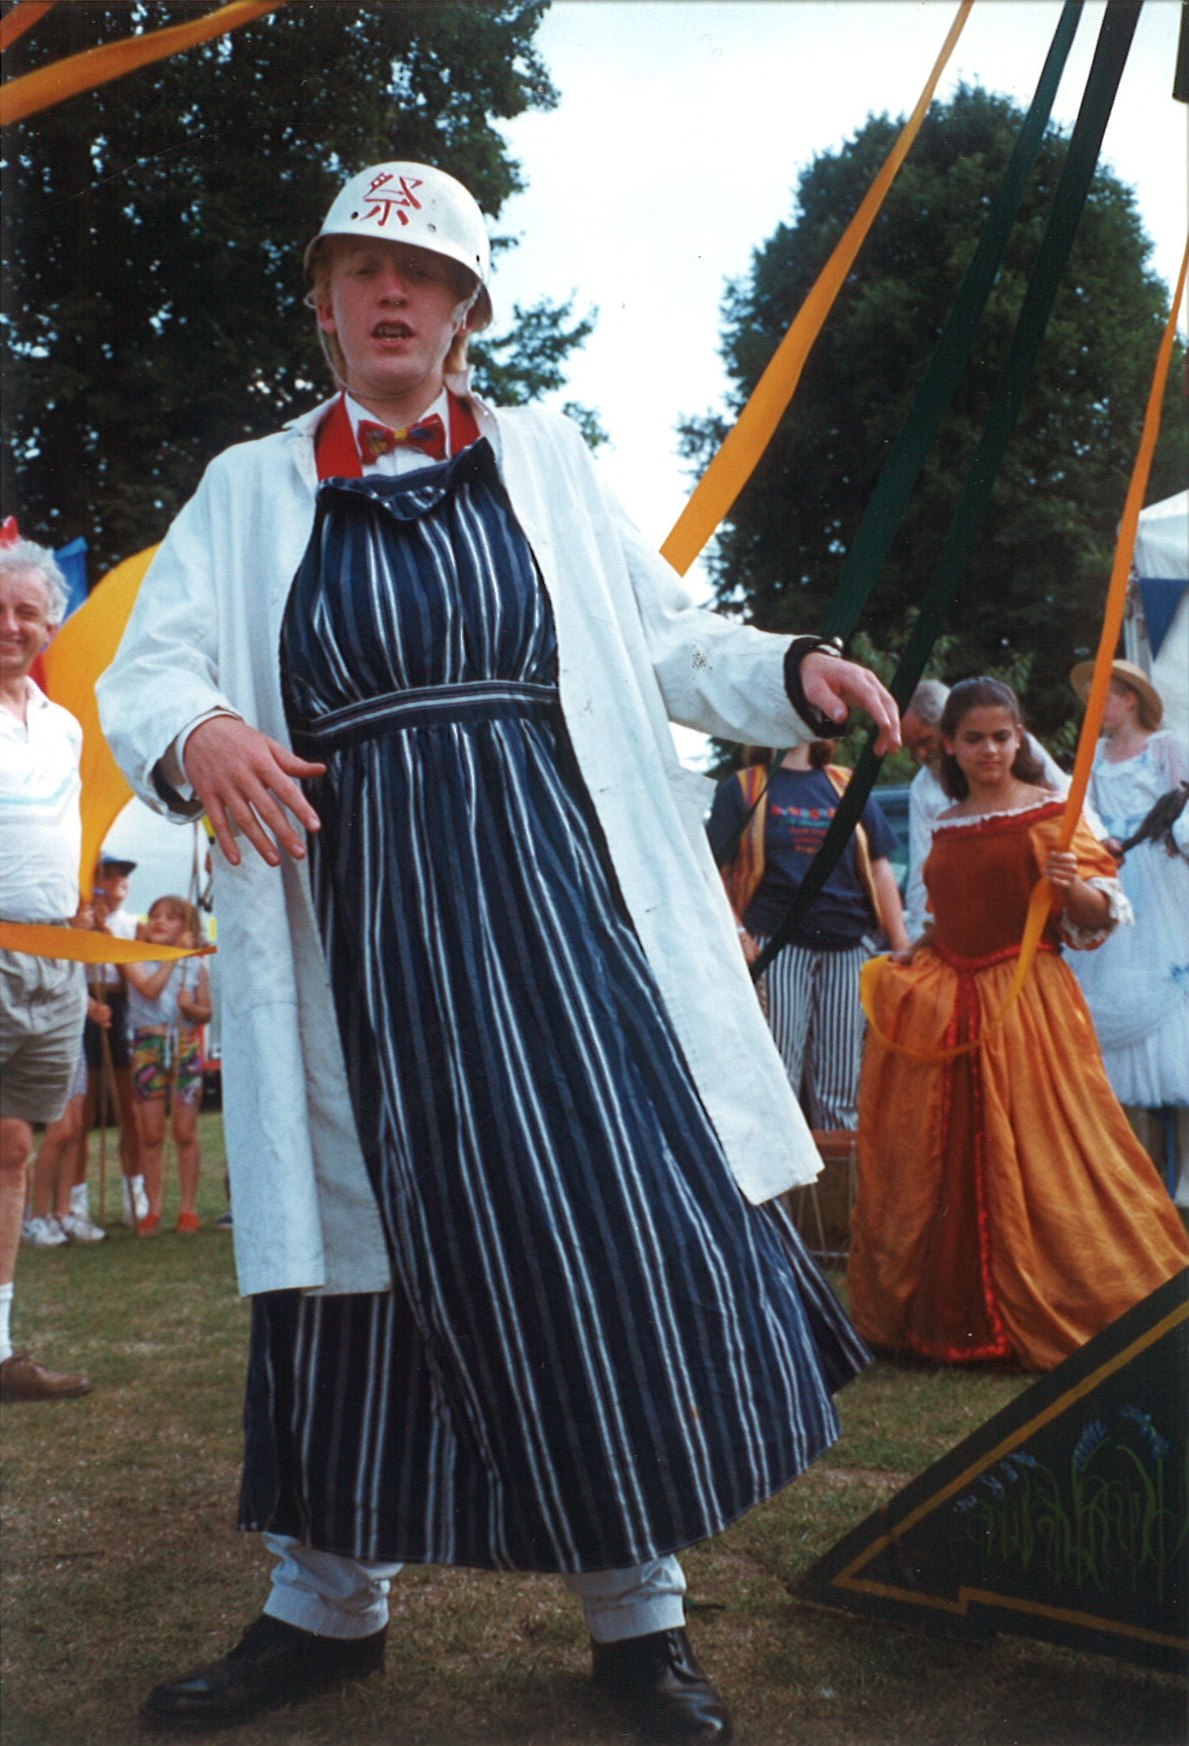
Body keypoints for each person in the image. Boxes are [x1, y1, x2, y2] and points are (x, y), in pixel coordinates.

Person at [98, 160, 900, 1743]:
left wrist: (789, 667)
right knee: (352, 1257)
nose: (391, 293)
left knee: (587, 1229)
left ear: (466, 310)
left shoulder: (544, 458)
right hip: (351, 929)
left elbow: (668, 637)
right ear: (326, 307)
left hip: (549, 917)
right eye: (362, 270)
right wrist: (200, 731)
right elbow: (151, 669)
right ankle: (326, 1608)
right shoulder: (247, 487)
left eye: (424, 275)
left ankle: (639, 1618)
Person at [847, 677, 1188, 1372]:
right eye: (973, 739)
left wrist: (1071, 884)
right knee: (942, 1155)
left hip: (1025, 1003)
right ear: (949, 745)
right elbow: (946, 912)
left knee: (1047, 1150)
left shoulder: (1051, 813)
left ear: (1019, 738)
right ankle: (947, 1316)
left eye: (1001, 737)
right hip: (951, 1004)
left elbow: (1098, 918)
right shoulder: (945, 820)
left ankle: (1063, 1298)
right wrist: (917, 951)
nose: (989, 751)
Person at [0, 533, 93, 1401]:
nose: (9, 624)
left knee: (16, 1144)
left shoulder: (64, 726)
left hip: (56, 959)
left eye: (26, 611)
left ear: (50, 625)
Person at [708, 741, 908, 1130]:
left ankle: (836, 1168)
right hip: (776, 946)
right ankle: (775, 1166)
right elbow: (712, 869)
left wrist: (900, 945)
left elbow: (880, 866)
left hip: (848, 947)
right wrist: (738, 931)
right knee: (778, 1072)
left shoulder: (847, 783)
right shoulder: (744, 788)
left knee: (841, 1081)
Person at [1067, 659, 1189, 1206]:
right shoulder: (1092, 759)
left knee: (1171, 1006)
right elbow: (1084, 816)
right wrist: (1098, 848)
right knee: (1111, 990)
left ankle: (1183, 1179)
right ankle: (1135, 1181)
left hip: (1161, 879)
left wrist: (1172, 835)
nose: (1095, 709)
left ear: (1129, 699)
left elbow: (1183, 806)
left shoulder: (1166, 749)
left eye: (1104, 697)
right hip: (1113, 879)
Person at [901, 677, 1073, 941]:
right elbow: (921, 873)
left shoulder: (1013, 750)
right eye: (913, 748)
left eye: (925, 741)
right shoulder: (922, 789)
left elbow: (1070, 804)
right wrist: (917, 937)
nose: (922, 754)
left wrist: (1098, 841)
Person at [122, 896, 212, 1235]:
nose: (159, 921)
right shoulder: (134, 958)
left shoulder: (196, 965)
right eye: (155, 916)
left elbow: (206, 1012)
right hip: (148, 1047)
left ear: (187, 928)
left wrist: (191, 1008)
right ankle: (154, 1207)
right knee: (151, 1133)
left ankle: (188, 1208)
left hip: (185, 1045)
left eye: (170, 918)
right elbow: (149, 989)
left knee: (185, 1131)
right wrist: (173, 958)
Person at [84, 855, 148, 1227]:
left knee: (130, 1107)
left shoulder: (132, 925)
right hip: (89, 1002)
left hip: (122, 1005)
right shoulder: (80, 920)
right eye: (109, 876)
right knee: (85, 1108)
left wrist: (109, 940)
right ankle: (76, 1200)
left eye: (122, 876)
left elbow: (136, 978)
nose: (118, 882)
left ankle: (134, 1193)